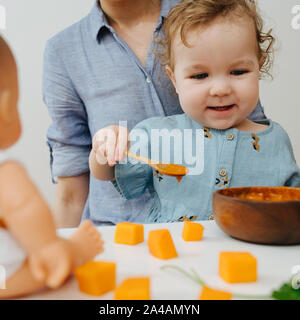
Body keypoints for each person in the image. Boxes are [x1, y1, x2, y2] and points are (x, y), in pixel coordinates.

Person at [43, 0, 266, 227]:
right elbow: (71, 191)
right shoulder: (62, 51)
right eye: (200, 76)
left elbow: (256, 143)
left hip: (211, 235)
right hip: (118, 237)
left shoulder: (211, 17)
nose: (220, 89)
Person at [90, 0, 300, 223]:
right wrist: (104, 148)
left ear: (258, 67)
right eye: (200, 76)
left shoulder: (276, 141)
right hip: (173, 255)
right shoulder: (158, 135)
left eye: (238, 71)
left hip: (250, 255)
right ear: (175, 80)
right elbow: (106, 173)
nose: (220, 89)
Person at [0, 35, 103, 298]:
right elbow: (24, 206)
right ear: (5, 109)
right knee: (44, 268)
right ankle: (75, 251)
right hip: (6, 273)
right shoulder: (5, 172)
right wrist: (48, 248)